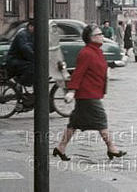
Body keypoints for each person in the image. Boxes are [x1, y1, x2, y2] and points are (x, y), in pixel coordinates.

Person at [52, 24, 126, 162]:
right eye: (99, 34)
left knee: (74, 123)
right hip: (87, 94)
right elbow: (79, 73)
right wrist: (72, 90)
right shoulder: (86, 53)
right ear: (91, 38)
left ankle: (60, 148)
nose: (102, 36)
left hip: (91, 92)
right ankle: (112, 148)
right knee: (101, 119)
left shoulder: (97, 51)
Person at [6, 19, 35, 87]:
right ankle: (17, 81)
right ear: (30, 26)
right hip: (14, 60)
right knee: (33, 66)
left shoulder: (33, 35)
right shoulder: (22, 34)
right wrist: (34, 56)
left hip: (22, 59)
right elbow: (25, 48)